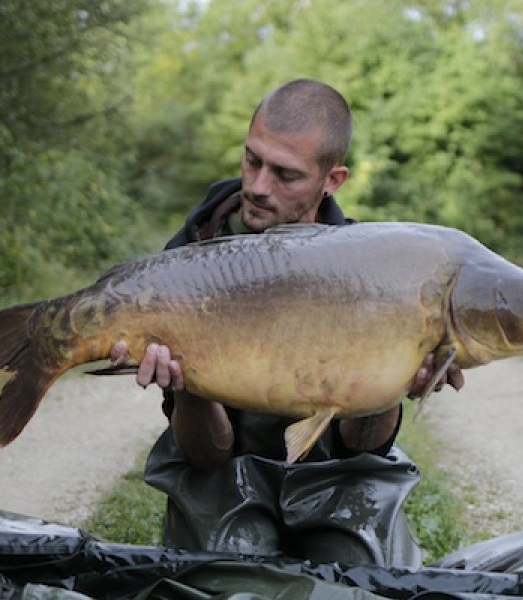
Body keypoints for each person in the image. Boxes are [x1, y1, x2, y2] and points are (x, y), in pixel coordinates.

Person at [110, 78, 463, 567]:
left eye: (285, 174)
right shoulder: (189, 260)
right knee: (227, 578)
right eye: (252, 160)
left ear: (332, 180)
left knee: (362, 579)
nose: (257, 186)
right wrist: (190, 385)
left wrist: (392, 385)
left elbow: (363, 447)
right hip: (223, 470)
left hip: (331, 476)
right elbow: (206, 455)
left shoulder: (368, 269)